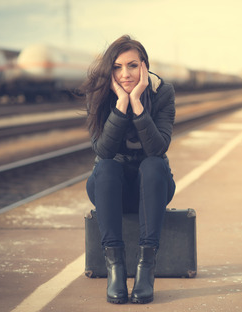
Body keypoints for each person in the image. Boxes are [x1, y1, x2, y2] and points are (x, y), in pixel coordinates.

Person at [80, 35, 176, 304]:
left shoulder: (162, 92)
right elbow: (104, 151)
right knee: (108, 167)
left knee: (154, 164)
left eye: (132, 66)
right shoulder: (98, 95)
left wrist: (137, 103)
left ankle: (146, 271)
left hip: (153, 188)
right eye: (117, 67)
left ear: (144, 66)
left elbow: (158, 148)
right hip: (110, 190)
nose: (125, 74)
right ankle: (116, 269)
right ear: (109, 69)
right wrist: (121, 104)